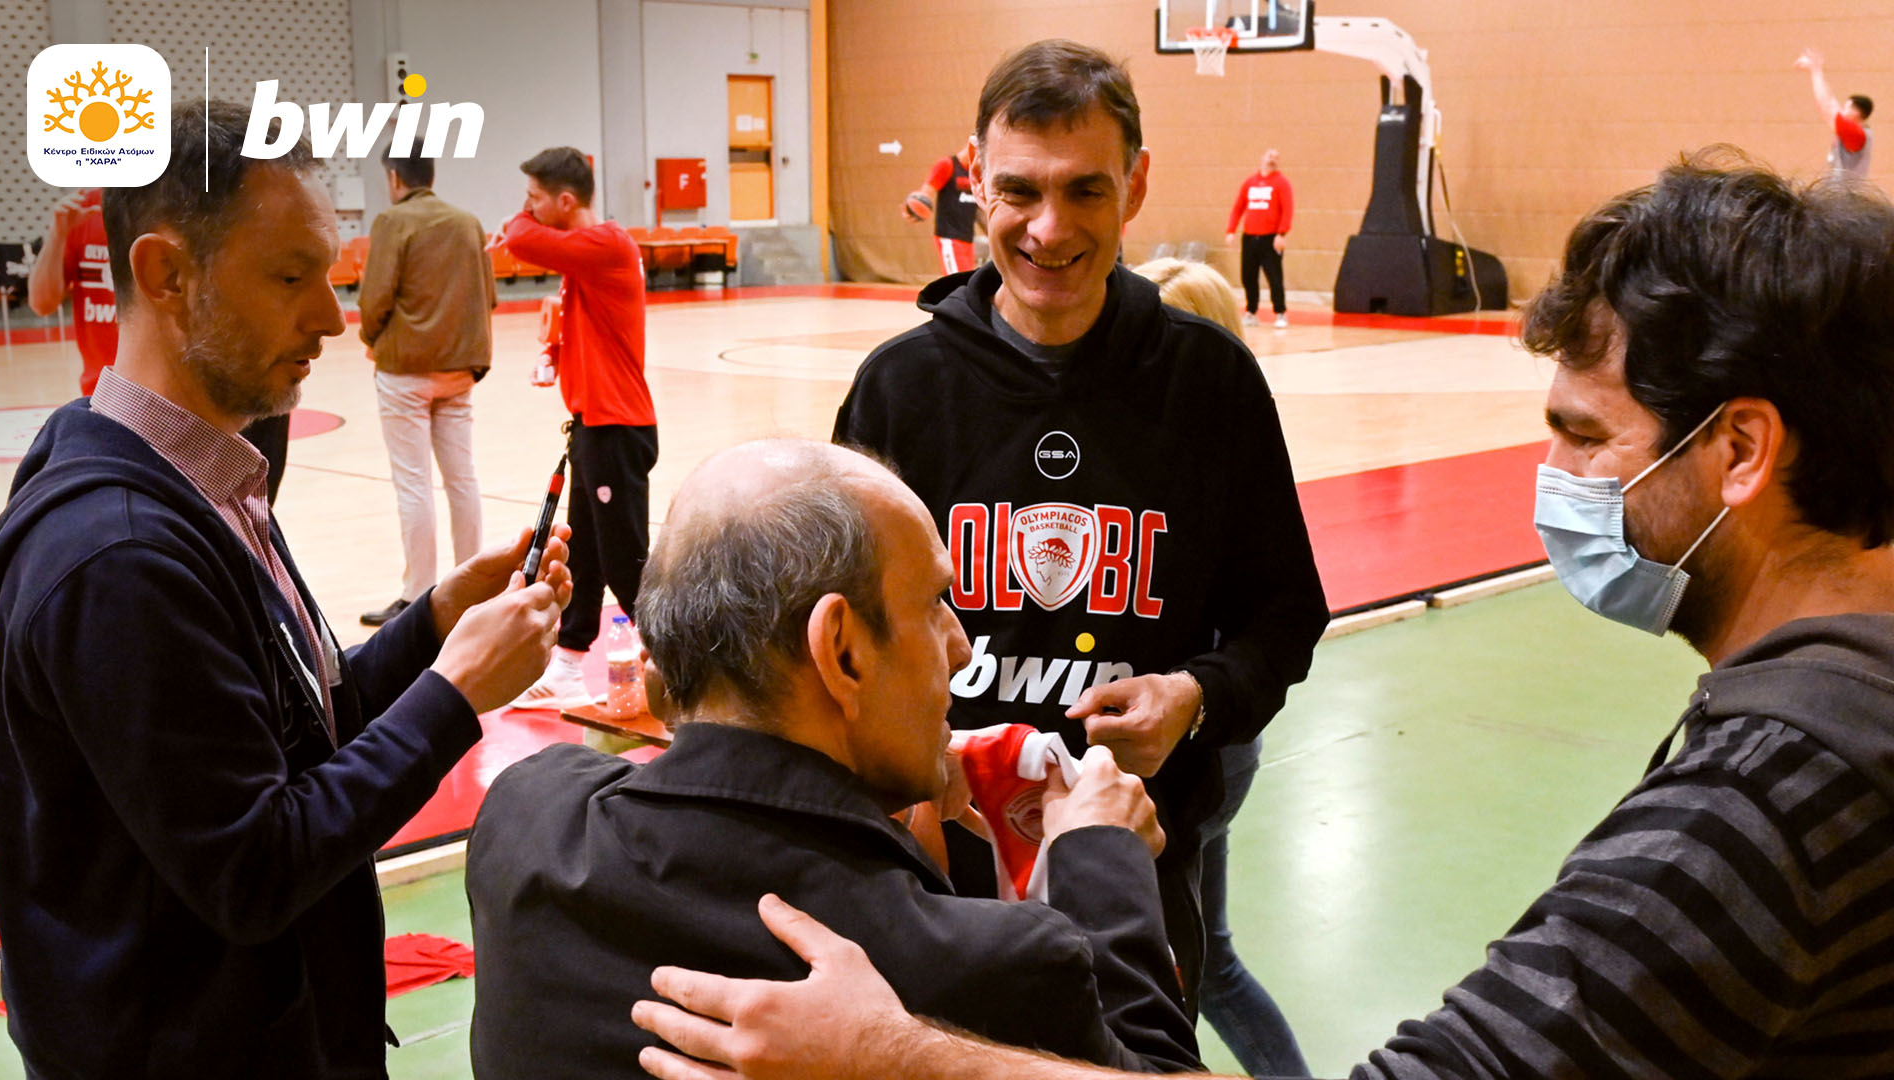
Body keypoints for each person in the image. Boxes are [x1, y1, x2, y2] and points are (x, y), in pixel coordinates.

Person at [633, 153, 1894, 1079]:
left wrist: (892, 1056)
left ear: (1740, 450)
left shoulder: (1768, 802)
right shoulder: (1840, 706)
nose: (1556, 478)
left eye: (1585, 437)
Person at [0, 101, 573, 1078]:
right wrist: (454, 695)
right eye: (291, 278)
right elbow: (253, 869)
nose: (331, 319)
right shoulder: (120, 556)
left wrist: (435, 624)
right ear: (166, 275)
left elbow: (290, 731)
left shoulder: (205, 476)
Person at [833, 39, 1329, 1009]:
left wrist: (1193, 695)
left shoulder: (1210, 383)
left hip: (1133, 873)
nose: (1049, 228)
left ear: (1135, 186)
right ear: (976, 179)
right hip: (932, 876)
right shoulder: (899, 390)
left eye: (1085, 191)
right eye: (1019, 190)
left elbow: (1285, 613)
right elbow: (838, 636)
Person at [466, 439, 1200, 1079]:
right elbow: (1160, 1069)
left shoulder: (524, 818)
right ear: (842, 650)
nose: (959, 646)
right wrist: (1102, 856)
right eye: (934, 604)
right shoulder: (997, 964)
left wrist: (869, 801)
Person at [1130, 256, 1310, 1077]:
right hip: (1215, 738)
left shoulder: (1203, 461)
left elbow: (1278, 617)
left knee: (1172, 966)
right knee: (1216, 957)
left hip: (1202, 739)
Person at [501, 146, 656, 710]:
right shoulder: (586, 257)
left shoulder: (606, 243)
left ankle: (684, 667)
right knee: (584, 555)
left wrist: (519, 220)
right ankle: (567, 668)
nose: (528, 208)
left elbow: (518, 239)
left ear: (566, 201)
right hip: (595, 426)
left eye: (535, 198)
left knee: (626, 563)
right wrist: (555, 354)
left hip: (617, 428)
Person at [26, 187, 296, 501]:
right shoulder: (82, 211)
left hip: (180, 394)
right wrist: (58, 234)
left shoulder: (179, 199)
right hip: (112, 397)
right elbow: (42, 302)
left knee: (225, 508)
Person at [356, 136, 496, 627]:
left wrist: (372, 338)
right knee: (463, 479)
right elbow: (488, 295)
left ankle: (418, 595)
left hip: (405, 372)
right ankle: (474, 585)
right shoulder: (467, 222)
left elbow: (374, 299)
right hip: (459, 371)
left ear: (394, 177)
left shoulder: (392, 221)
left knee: (413, 484)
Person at [26, 187, 117, 395]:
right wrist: (57, 235)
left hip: (169, 391)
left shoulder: (170, 202)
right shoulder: (85, 207)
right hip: (101, 390)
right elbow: (42, 303)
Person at [1222, 148, 1292, 327]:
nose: (1272, 160)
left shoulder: (1282, 183)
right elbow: (1238, 208)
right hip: (1250, 239)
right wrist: (1231, 230)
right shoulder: (1250, 183)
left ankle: (1280, 313)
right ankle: (1251, 312)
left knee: (1274, 278)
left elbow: (1287, 210)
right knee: (1248, 277)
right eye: (1270, 156)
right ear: (1262, 158)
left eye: (1276, 157)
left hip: (1270, 239)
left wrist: (1281, 234)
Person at [1795, 47, 1872, 181]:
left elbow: (1827, 106)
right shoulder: (1856, 132)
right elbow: (1830, 102)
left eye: (1846, 107)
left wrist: (1816, 71)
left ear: (1856, 113)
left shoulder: (1857, 134)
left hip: (1846, 193)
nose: (1841, 110)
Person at [903, 142, 980, 275]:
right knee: (958, 283)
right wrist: (914, 209)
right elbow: (926, 193)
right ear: (972, 147)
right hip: (949, 236)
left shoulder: (975, 173)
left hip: (967, 238)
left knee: (967, 282)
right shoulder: (947, 165)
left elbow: (978, 209)